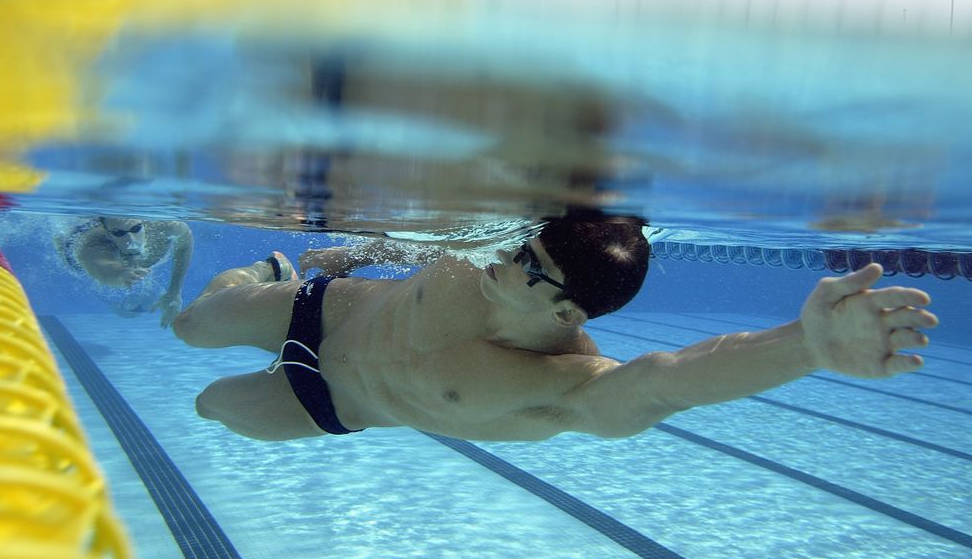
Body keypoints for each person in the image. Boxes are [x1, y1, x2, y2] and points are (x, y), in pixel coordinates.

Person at [172, 212, 938, 442]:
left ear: (565, 313)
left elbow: (666, 382)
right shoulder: (485, 253)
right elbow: (426, 238)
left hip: (332, 406)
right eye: (514, 248)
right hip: (318, 308)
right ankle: (261, 274)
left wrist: (805, 345)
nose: (500, 262)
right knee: (191, 325)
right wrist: (349, 253)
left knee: (212, 405)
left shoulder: (559, 385)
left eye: (525, 264)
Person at [55, 216, 194, 327]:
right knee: (62, 235)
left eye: (136, 228)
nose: (130, 240)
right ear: (108, 232)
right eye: (118, 233)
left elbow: (185, 243)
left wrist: (174, 292)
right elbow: (103, 269)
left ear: (144, 222)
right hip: (75, 242)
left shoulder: (167, 227)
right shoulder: (93, 246)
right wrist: (121, 274)